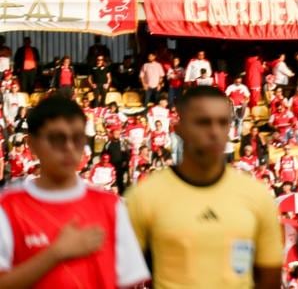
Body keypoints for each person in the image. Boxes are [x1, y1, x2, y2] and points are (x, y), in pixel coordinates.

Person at [125, 85, 281, 289]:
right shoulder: (144, 197)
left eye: (222, 122)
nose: (214, 131)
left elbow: (270, 278)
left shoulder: (257, 196)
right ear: (179, 129)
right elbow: (125, 275)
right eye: (203, 122)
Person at [0, 94, 149, 289]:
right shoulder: (8, 208)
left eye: (77, 138)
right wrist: (56, 253)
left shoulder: (111, 206)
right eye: (57, 139)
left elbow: (130, 281)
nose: (69, 147)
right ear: (32, 144)